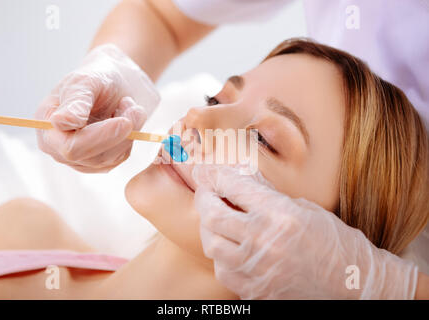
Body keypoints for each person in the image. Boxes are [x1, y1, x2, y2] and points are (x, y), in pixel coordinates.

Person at [34, 0, 429, 299]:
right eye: (216, 99)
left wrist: (385, 284)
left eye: (263, 140)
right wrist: (114, 68)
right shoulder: (27, 227)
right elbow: (163, 14)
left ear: (334, 234)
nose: (196, 120)